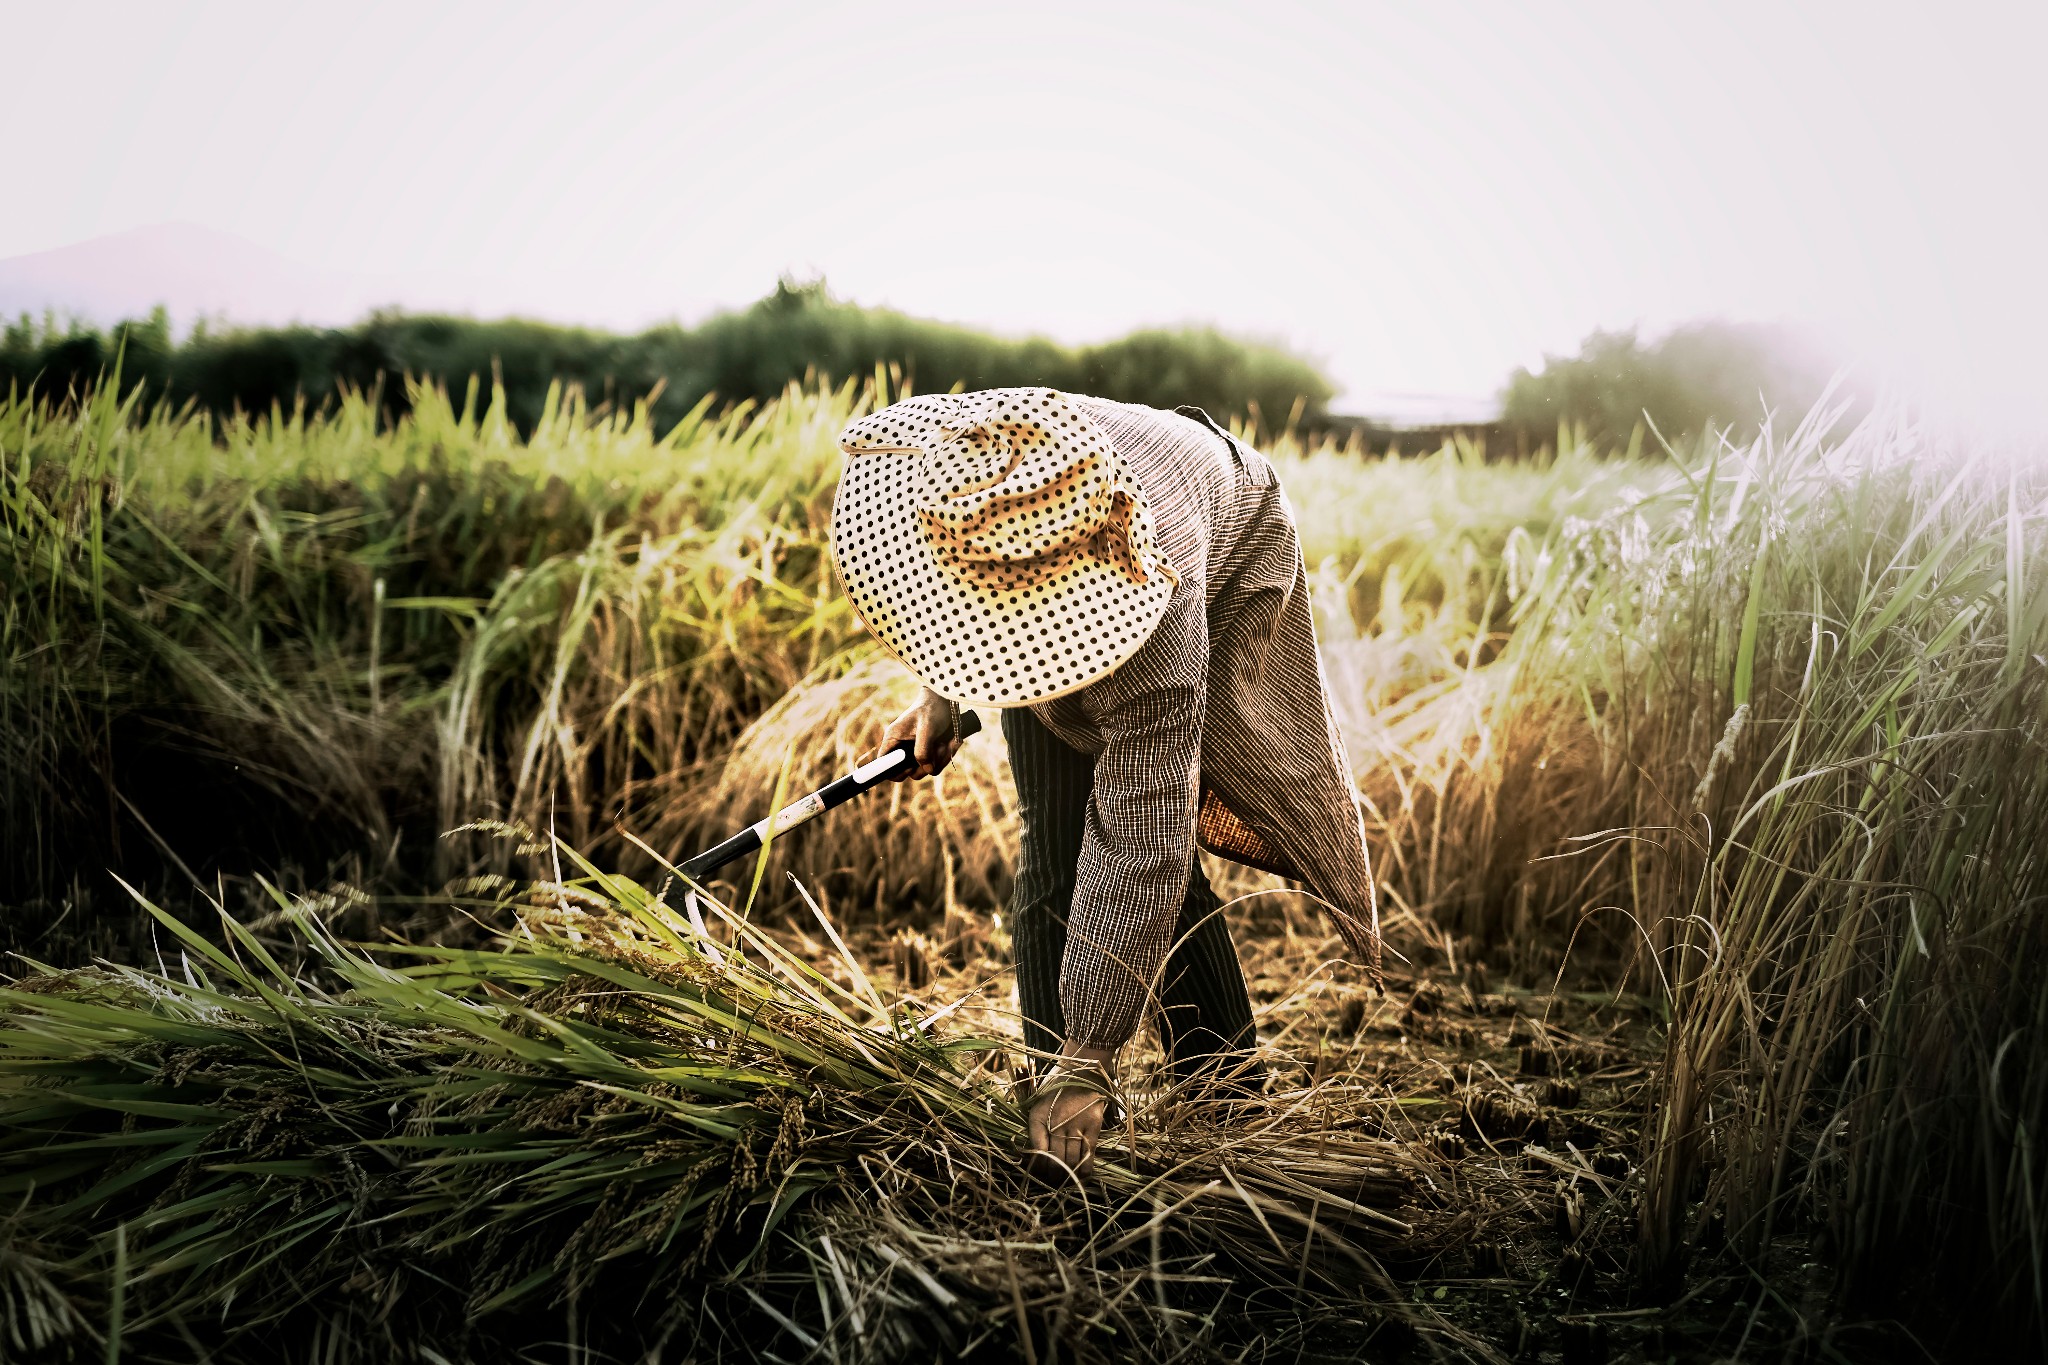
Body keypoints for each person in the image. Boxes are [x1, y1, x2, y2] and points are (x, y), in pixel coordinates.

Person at [832, 388, 1380, 1176]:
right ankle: (1052, 1111)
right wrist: (940, 696)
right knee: (1055, 839)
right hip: (1076, 537)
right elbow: (952, 586)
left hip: (1223, 543)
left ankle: (1222, 1102)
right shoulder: (972, 467)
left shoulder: (1158, 614)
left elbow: (1143, 840)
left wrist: (1092, 1054)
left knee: (1149, 846)